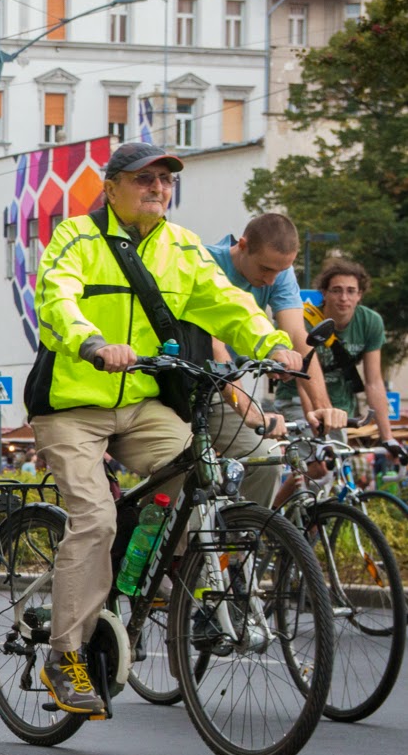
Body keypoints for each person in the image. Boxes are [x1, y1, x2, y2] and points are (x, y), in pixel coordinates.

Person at [29, 142, 297, 715]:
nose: (157, 188)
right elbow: (57, 300)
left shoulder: (182, 246)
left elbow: (225, 302)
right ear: (111, 187)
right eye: (144, 179)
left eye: (165, 181)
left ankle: (142, 578)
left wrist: (273, 343)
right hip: (73, 405)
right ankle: (64, 654)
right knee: (95, 517)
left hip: (143, 404)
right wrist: (93, 343)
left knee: (199, 475)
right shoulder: (75, 237)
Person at [203, 213, 342, 506]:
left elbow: (297, 335)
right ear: (242, 245)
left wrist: (322, 408)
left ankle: (244, 543)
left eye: (281, 271)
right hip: (194, 378)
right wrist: (251, 412)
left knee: (267, 461)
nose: (271, 279)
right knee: (187, 471)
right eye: (266, 268)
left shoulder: (279, 271)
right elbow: (213, 344)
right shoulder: (207, 262)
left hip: (228, 388)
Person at [281, 259, 396, 453]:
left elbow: (374, 383)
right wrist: (314, 425)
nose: (344, 298)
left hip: (340, 409)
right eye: (336, 290)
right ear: (324, 293)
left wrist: (388, 439)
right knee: (316, 466)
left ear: (360, 295)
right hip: (297, 401)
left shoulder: (370, 322)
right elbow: (302, 380)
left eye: (351, 291)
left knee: (336, 467)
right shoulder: (304, 321)